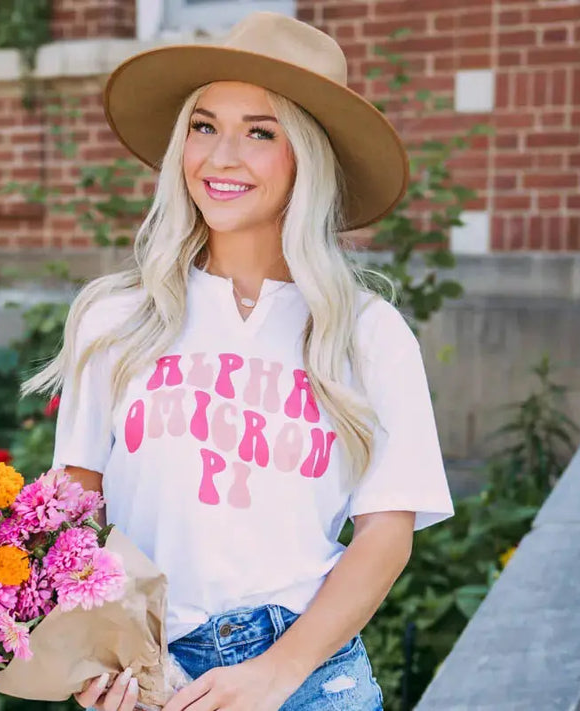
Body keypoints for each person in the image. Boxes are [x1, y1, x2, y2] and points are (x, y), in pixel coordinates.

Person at [23, 11, 454, 711]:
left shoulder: (368, 335)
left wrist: (277, 671)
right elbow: (74, 507)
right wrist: (91, 658)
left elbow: (386, 535)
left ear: (307, 157)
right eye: (204, 125)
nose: (222, 156)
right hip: (153, 673)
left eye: (260, 131)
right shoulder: (117, 320)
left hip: (310, 673)